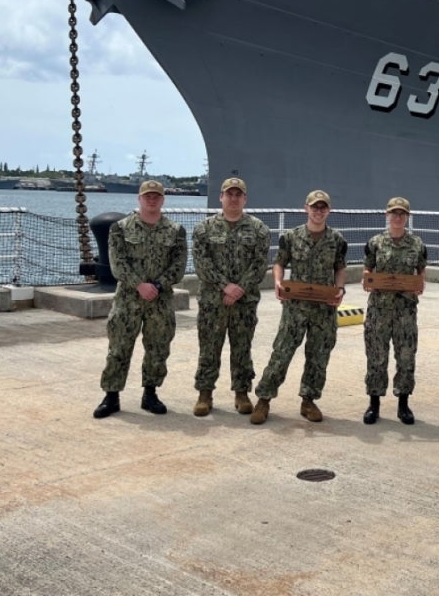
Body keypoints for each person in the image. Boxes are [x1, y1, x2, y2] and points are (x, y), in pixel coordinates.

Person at [249, 190, 348, 424]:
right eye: (315, 207)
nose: (318, 211)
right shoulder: (291, 237)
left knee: (318, 356)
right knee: (281, 353)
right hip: (295, 307)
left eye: (323, 207)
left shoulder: (337, 240)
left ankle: (309, 400)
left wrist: (341, 289)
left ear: (329, 211)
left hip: (324, 308)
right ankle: (264, 399)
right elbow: (279, 263)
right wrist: (278, 282)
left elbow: (340, 268)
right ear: (306, 208)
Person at [92, 180, 188, 419]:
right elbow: (118, 264)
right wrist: (139, 285)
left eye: (156, 196)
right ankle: (111, 396)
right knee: (119, 348)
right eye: (147, 196)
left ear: (163, 200)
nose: (152, 200)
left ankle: (150, 394)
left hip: (160, 300)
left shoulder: (175, 231)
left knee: (158, 349)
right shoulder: (120, 228)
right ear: (139, 199)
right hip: (128, 300)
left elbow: (178, 266)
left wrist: (156, 285)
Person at [189, 176, 272, 417]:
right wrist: (225, 286)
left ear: (245, 199)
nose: (233, 198)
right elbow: (201, 264)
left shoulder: (259, 229)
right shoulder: (203, 229)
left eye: (238, 194)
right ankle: (205, 393)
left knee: (242, 348)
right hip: (212, 302)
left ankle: (242, 392)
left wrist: (239, 289)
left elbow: (259, 265)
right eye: (229, 194)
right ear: (221, 197)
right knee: (209, 348)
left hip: (244, 302)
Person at [360, 197, 428, 425]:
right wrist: (367, 279)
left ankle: (403, 404)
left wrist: (419, 284)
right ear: (387, 215)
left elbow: (421, 272)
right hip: (379, 310)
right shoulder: (375, 242)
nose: (397, 217)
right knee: (376, 358)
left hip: (406, 311)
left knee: (406, 358)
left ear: (407, 217)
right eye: (394, 213)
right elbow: (368, 267)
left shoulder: (417, 244)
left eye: (402, 214)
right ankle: (374, 403)